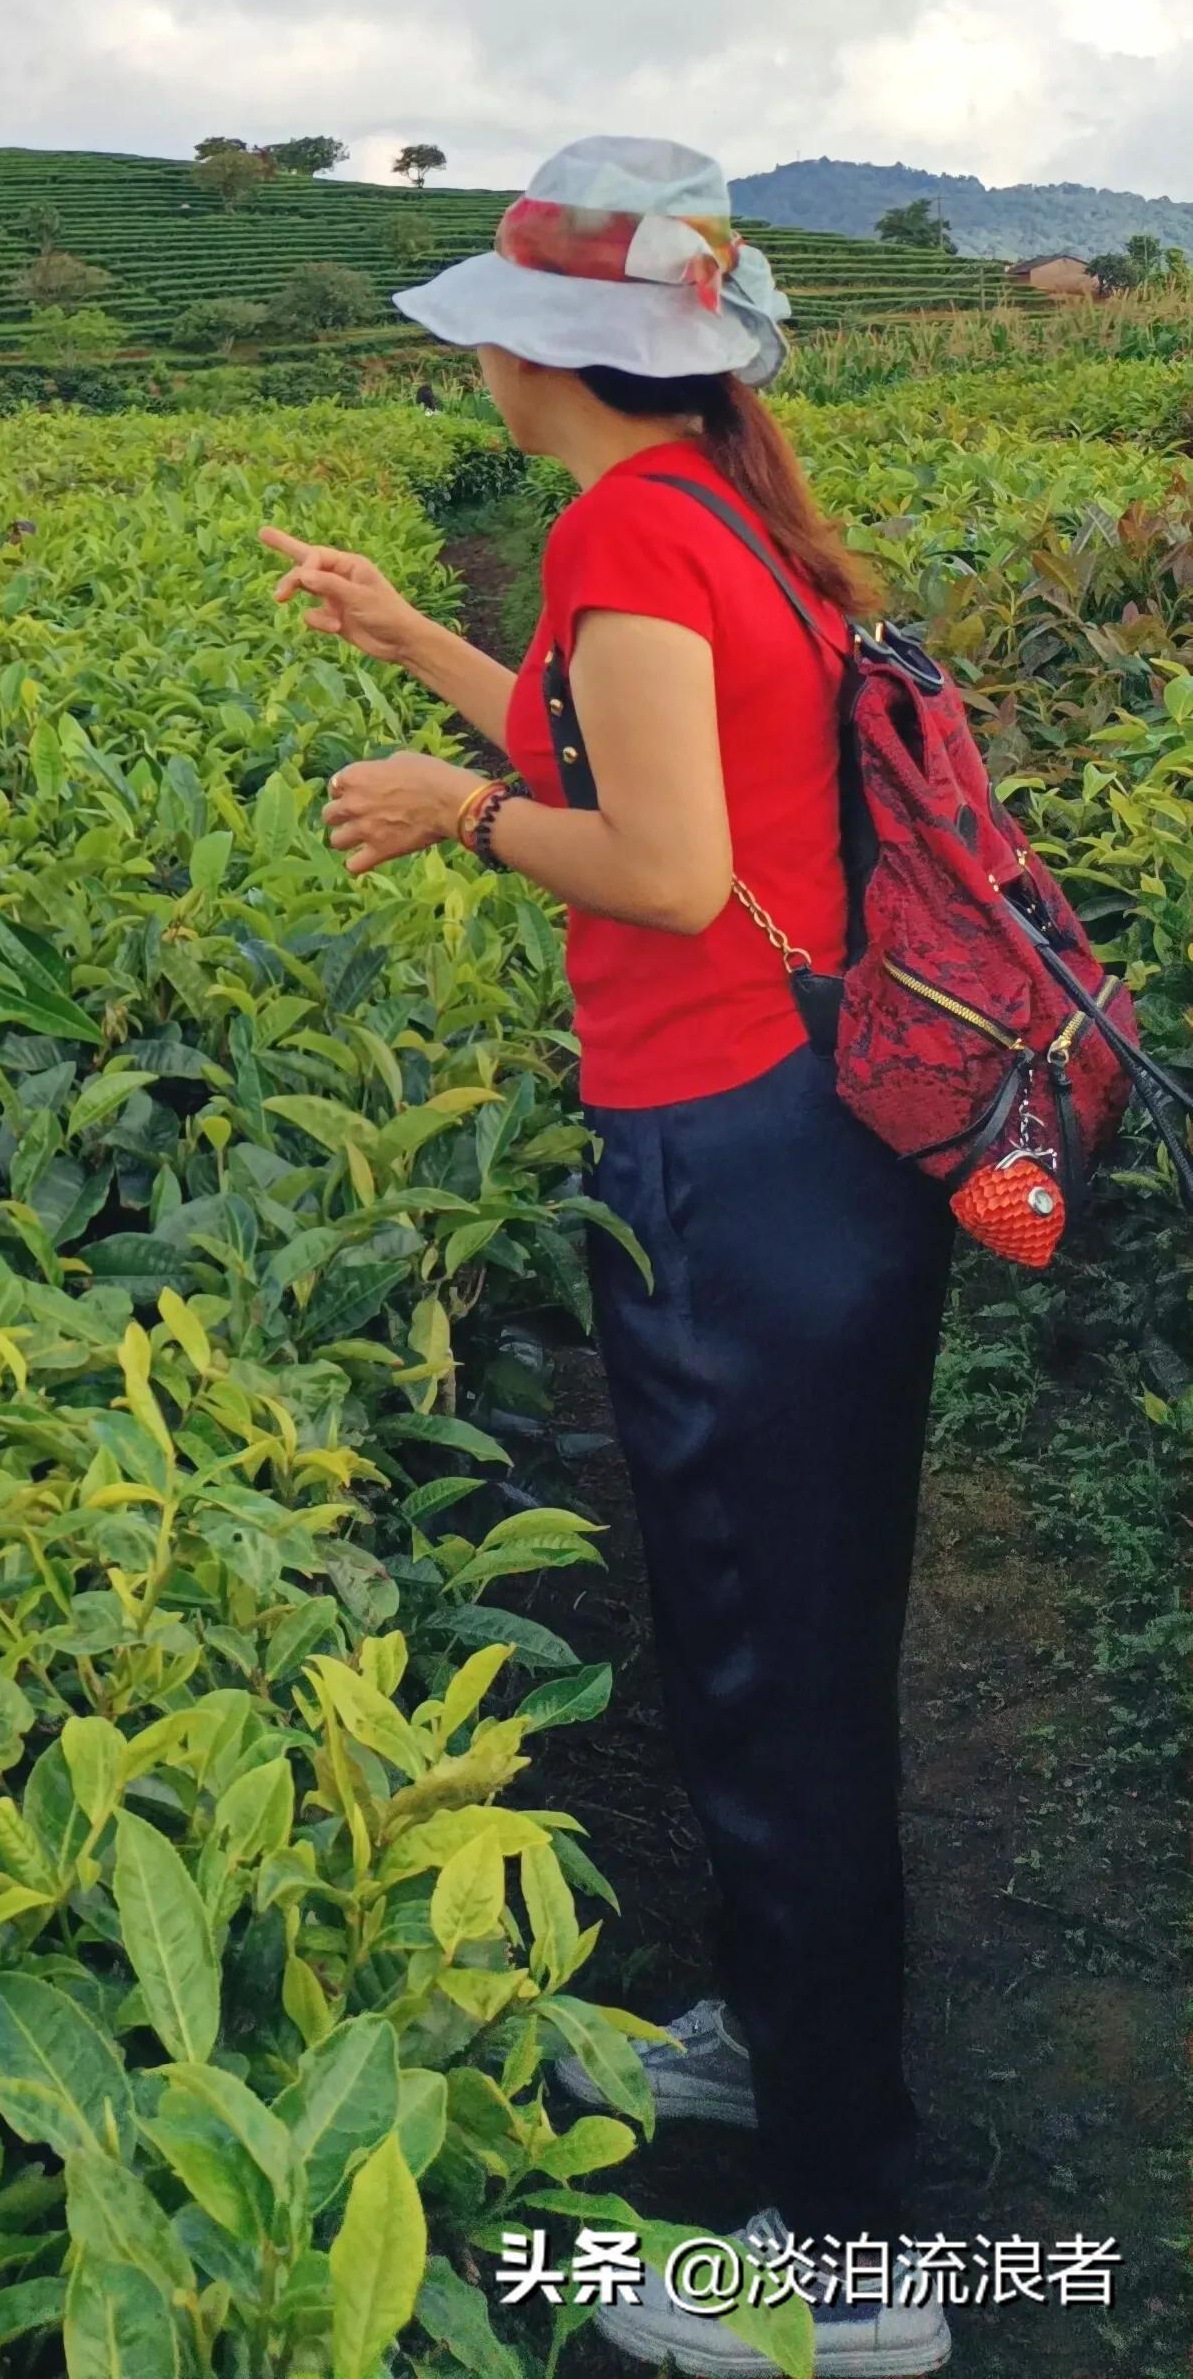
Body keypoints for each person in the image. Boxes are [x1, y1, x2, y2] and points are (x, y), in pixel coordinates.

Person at [261, 139, 955, 2379]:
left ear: (540, 341)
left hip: (736, 1158)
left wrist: (447, 805)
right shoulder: (702, 514)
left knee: (772, 1679)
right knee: (779, 1646)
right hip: (806, 1141)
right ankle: (779, 2030)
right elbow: (638, 749)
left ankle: (857, 2262)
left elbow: (658, 859)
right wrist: (416, 639)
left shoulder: (627, 525)